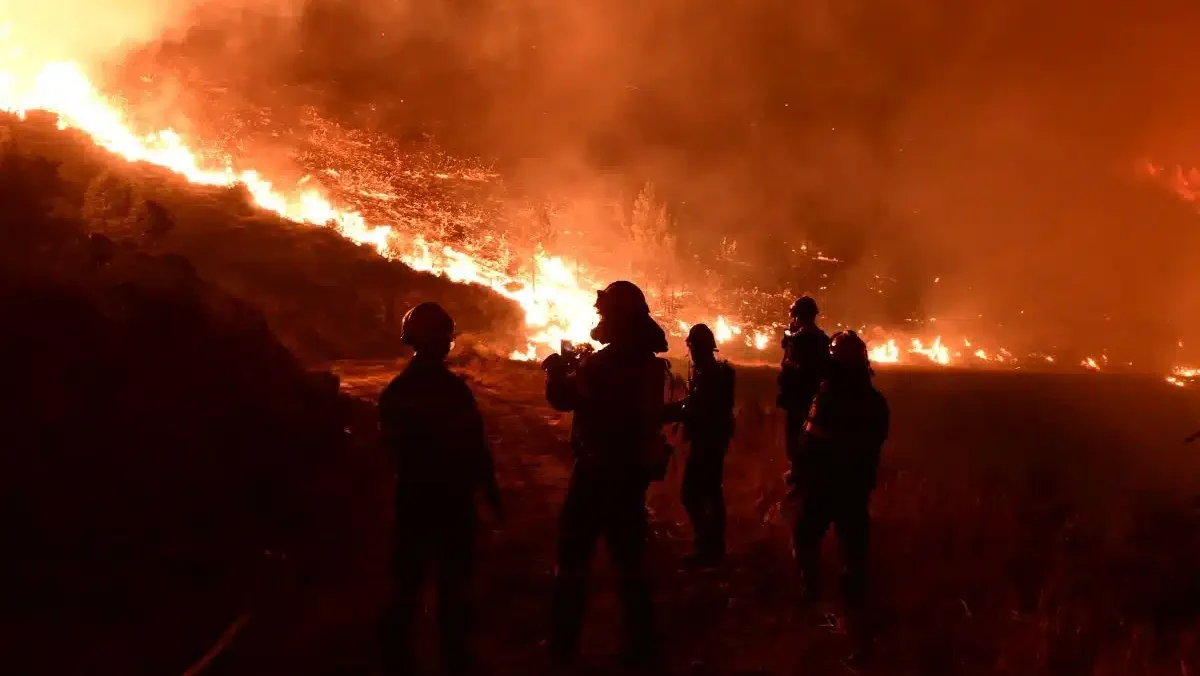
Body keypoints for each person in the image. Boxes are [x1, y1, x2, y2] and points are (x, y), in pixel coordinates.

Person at [542, 280, 672, 667]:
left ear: (618, 317)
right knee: (629, 559)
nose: (599, 317)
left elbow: (563, 399)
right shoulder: (648, 362)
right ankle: (641, 644)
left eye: (604, 312)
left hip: (598, 472)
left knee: (573, 556)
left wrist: (556, 371)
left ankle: (563, 646)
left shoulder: (605, 363)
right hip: (631, 473)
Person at [377, 302, 503, 675]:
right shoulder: (453, 392)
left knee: (408, 581)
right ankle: (455, 657)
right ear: (446, 343)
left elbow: (390, 450)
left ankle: (397, 658)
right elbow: (474, 446)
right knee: (454, 584)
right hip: (453, 501)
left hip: (414, 498)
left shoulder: (397, 392)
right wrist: (489, 491)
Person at [790, 329, 888, 611]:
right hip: (854, 487)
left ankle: (815, 594)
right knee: (852, 547)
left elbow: (814, 439)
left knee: (807, 535)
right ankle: (854, 605)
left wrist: (802, 471)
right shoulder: (876, 402)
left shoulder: (829, 398)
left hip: (826, 484)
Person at [668, 323, 736, 567]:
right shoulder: (710, 372)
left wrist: (670, 413)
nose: (692, 352)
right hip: (712, 439)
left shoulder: (709, 374)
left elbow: (698, 408)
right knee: (710, 493)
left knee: (693, 493)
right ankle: (712, 547)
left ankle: (708, 547)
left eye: (693, 347)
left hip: (708, 440)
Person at [777, 296, 829, 473]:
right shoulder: (823, 339)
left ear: (798, 316)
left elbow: (791, 366)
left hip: (798, 400)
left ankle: (797, 479)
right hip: (816, 401)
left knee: (795, 444)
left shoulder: (799, 340)